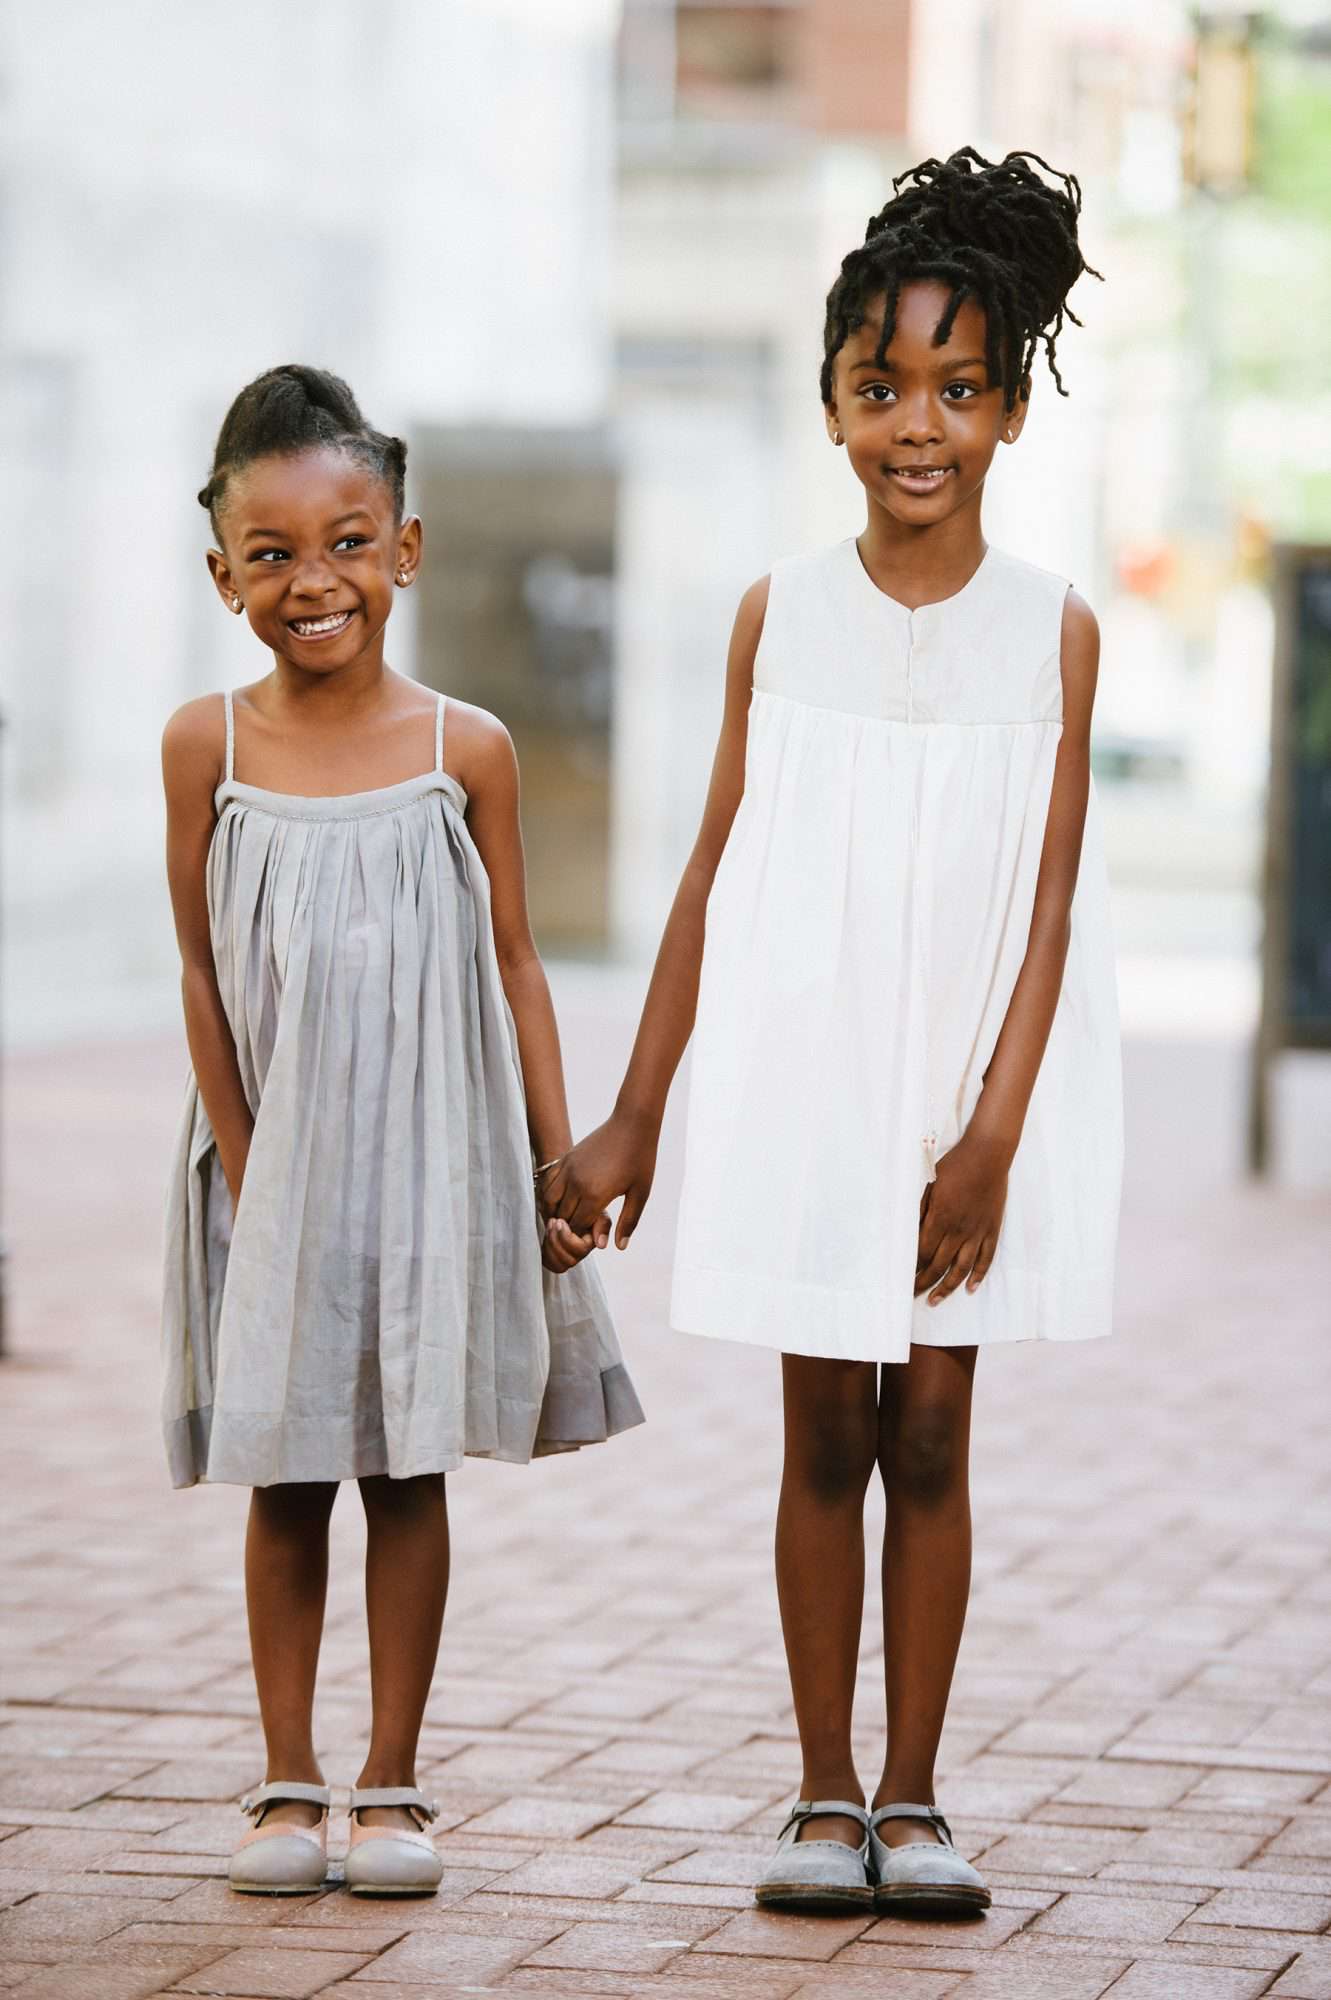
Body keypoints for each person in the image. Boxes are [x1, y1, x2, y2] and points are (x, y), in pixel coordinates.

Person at [542, 149, 1122, 1917]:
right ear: (831, 407)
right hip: (809, 1067)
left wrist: (996, 1132)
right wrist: (638, 1110)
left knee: (933, 1429)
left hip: (963, 1084)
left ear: (1011, 413)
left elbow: (1049, 905)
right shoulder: (776, 613)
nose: (918, 426)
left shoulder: (1057, 632)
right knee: (822, 1434)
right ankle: (818, 1798)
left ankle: (918, 1797)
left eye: (958, 389)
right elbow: (716, 872)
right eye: (883, 389)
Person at [160, 365, 643, 1899]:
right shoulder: (205, 751)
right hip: (272, 1165)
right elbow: (198, 969)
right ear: (224, 568)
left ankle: (393, 1781)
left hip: (433, 1154)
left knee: (406, 1471)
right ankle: (288, 1777)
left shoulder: (468, 750)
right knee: (288, 1469)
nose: (317, 582)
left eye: (351, 542)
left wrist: (557, 1157)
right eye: (276, 553)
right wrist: (246, 1167)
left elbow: (516, 961)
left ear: (408, 550)